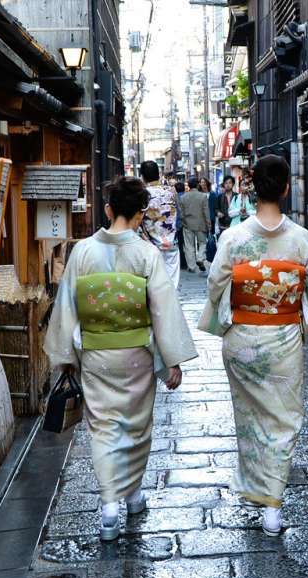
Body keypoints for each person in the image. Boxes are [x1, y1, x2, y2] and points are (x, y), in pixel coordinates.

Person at [45, 176, 198, 541]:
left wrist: (65, 354)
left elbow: (67, 305)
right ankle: (131, 495)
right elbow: (162, 309)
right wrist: (172, 360)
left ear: (109, 208)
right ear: (141, 214)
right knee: (135, 425)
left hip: (96, 353)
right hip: (136, 355)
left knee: (103, 427)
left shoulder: (82, 251)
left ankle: (113, 503)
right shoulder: (146, 254)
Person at [198, 155, 308, 537]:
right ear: (286, 188)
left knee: (250, 417)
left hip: (243, 341)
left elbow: (215, 284)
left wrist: (228, 314)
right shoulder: (301, 239)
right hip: (282, 338)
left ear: (253, 188)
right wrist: (299, 316)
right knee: (283, 419)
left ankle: (257, 490)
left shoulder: (234, 238)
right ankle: (272, 504)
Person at [139, 161, 181, 288]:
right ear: (159, 174)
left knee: (154, 283)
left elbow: (140, 219)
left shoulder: (143, 194)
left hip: (151, 243)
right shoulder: (171, 191)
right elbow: (178, 212)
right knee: (172, 282)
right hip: (171, 241)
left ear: (143, 176)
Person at [179, 177, 211, 273]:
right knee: (202, 243)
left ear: (188, 185)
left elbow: (181, 213)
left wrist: (184, 222)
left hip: (187, 224)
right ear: (197, 185)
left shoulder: (183, 197)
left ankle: (191, 266)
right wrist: (208, 224)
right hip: (201, 224)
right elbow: (206, 212)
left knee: (189, 246)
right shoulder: (203, 196)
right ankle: (200, 258)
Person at [174, 181, 188, 270]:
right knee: (188, 244)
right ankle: (189, 262)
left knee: (180, 244)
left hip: (178, 224)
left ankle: (182, 263)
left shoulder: (174, 198)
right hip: (188, 223)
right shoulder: (187, 196)